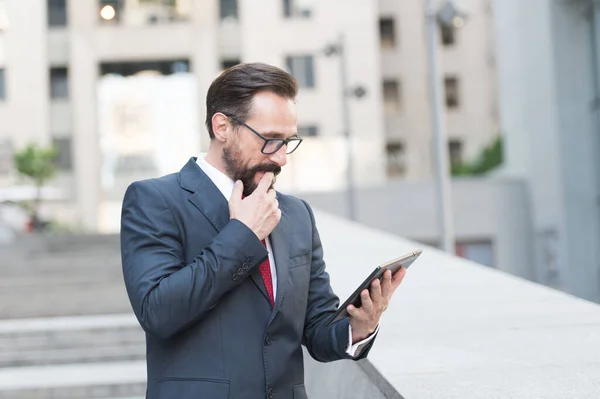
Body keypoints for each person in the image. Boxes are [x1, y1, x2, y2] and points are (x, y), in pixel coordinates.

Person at [120, 62, 406, 399]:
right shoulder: (156, 200)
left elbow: (316, 329)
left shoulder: (296, 214)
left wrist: (359, 327)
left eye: (287, 141)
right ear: (222, 126)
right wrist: (242, 233)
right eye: (270, 140)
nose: (281, 158)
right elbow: (158, 312)